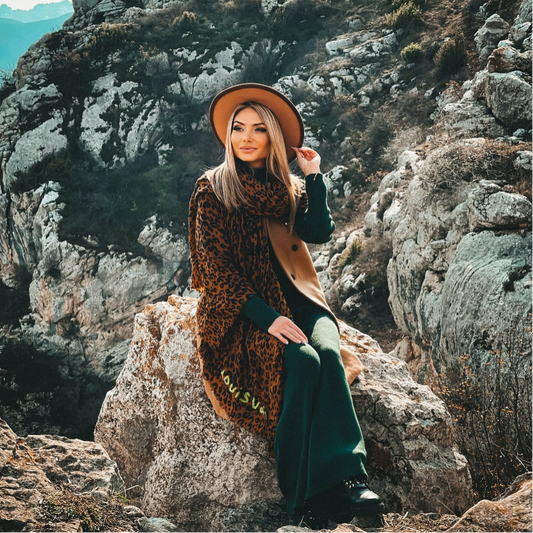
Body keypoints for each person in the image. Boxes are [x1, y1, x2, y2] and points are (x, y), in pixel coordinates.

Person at [189, 83, 384, 529]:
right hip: (245, 314)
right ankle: (305, 498)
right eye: (238, 128)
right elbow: (214, 273)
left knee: (330, 354)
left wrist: (313, 176)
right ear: (228, 136)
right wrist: (269, 318)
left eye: (259, 129)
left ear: (272, 137)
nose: (246, 137)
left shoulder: (286, 188)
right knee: (302, 363)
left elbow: (318, 230)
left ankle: (351, 479)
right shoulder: (213, 189)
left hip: (302, 301)